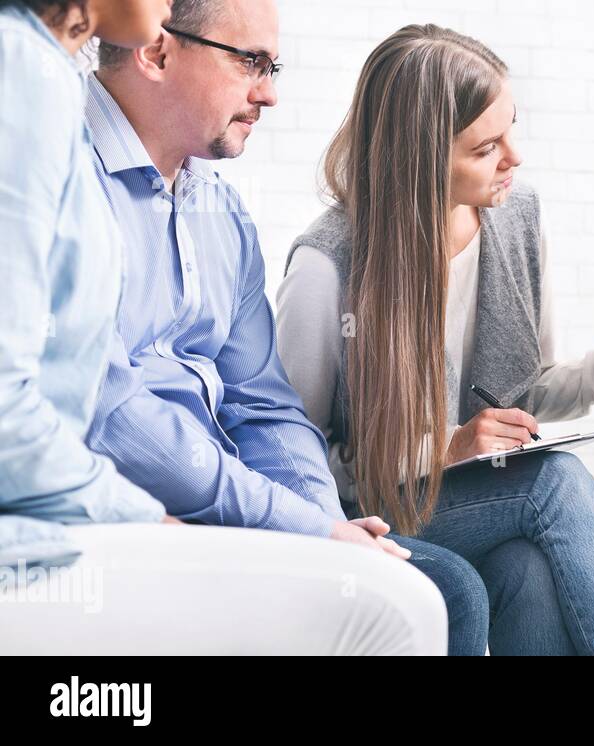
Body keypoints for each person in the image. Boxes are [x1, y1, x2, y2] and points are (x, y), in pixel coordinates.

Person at [0, 0, 445, 656]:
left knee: (419, 581)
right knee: (405, 605)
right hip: (97, 520)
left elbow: (264, 405)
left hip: (183, 511)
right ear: (157, 52)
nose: (268, 93)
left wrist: (318, 520)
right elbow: (95, 404)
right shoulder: (31, 84)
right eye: (250, 63)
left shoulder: (221, 208)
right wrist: (181, 519)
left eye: (274, 66)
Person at [277, 24, 594, 656]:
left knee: (526, 570)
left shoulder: (515, 219)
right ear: (423, 157)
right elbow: (288, 457)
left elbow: (530, 389)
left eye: (512, 127)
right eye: (487, 147)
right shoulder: (328, 267)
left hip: (470, 502)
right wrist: (445, 448)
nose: (514, 156)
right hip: (363, 514)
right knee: (554, 482)